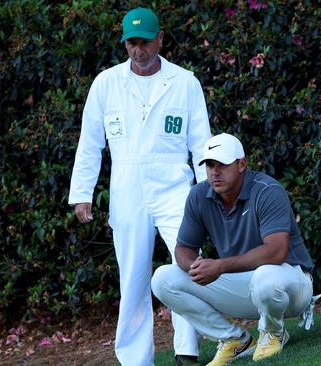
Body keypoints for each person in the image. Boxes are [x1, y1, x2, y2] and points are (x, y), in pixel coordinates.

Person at [68, 7, 211, 366]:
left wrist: (209, 192)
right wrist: (82, 192)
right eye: (131, 43)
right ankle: (135, 359)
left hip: (176, 188)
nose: (138, 50)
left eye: (145, 42)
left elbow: (201, 142)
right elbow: (89, 142)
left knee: (187, 266)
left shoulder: (185, 82)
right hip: (127, 190)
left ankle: (187, 350)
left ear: (160, 39)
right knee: (132, 276)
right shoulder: (106, 83)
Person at [151, 133, 321, 366]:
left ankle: (274, 332)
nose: (214, 172)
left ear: (242, 164)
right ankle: (234, 339)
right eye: (210, 165)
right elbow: (183, 248)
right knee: (163, 278)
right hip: (244, 286)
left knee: (266, 276)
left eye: (222, 164)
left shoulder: (268, 190)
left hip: (290, 286)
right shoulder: (199, 195)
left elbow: (276, 251)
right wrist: (196, 267)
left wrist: (220, 266)